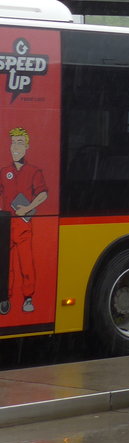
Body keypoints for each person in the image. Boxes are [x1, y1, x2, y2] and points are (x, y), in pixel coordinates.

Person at [1, 128, 49, 315]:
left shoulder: (34, 171)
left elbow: (43, 193)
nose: (16, 147)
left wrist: (27, 209)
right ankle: (5, 298)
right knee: (7, 265)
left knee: (26, 263)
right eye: (13, 143)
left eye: (20, 143)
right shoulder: (4, 171)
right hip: (5, 224)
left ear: (27, 147)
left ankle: (28, 297)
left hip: (23, 225)